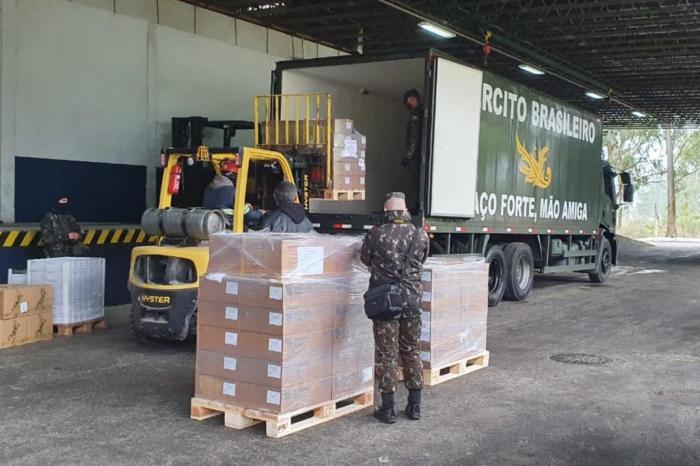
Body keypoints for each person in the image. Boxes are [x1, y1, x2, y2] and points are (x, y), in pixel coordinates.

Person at [360, 192, 429, 424]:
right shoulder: (420, 234)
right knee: (411, 351)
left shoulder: (376, 234)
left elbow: (365, 260)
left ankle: (388, 409)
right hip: (412, 302)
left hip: (386, 302)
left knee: (387, 354)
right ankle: (415, 406)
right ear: (406, 210)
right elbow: (422, 260)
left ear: (385, 210)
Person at [401, 89, 424, 169]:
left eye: (408, 102)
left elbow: (415, 135)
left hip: (416, 156)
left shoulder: (416, 113)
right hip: (419, 153)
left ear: (413, 100)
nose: (408, 105)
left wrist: (408, 156)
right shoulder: (422, 111)